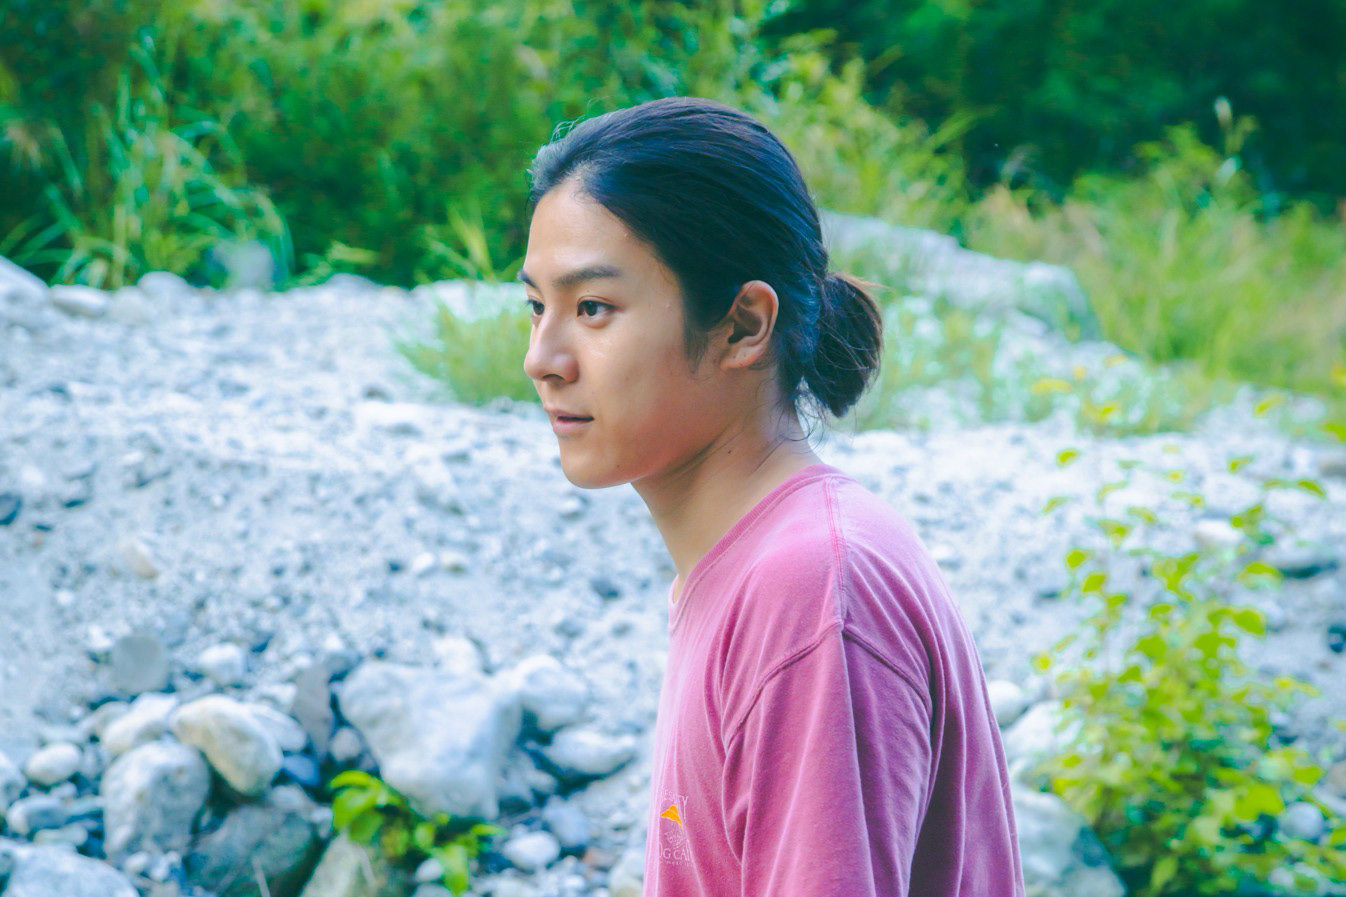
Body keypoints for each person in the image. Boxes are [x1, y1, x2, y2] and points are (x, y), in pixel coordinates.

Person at [519, 96, 1026, 897]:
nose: (542, 358)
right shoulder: (765, 566)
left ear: (743, 326)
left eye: (593, 309)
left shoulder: (811, 589)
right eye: (535, 307)